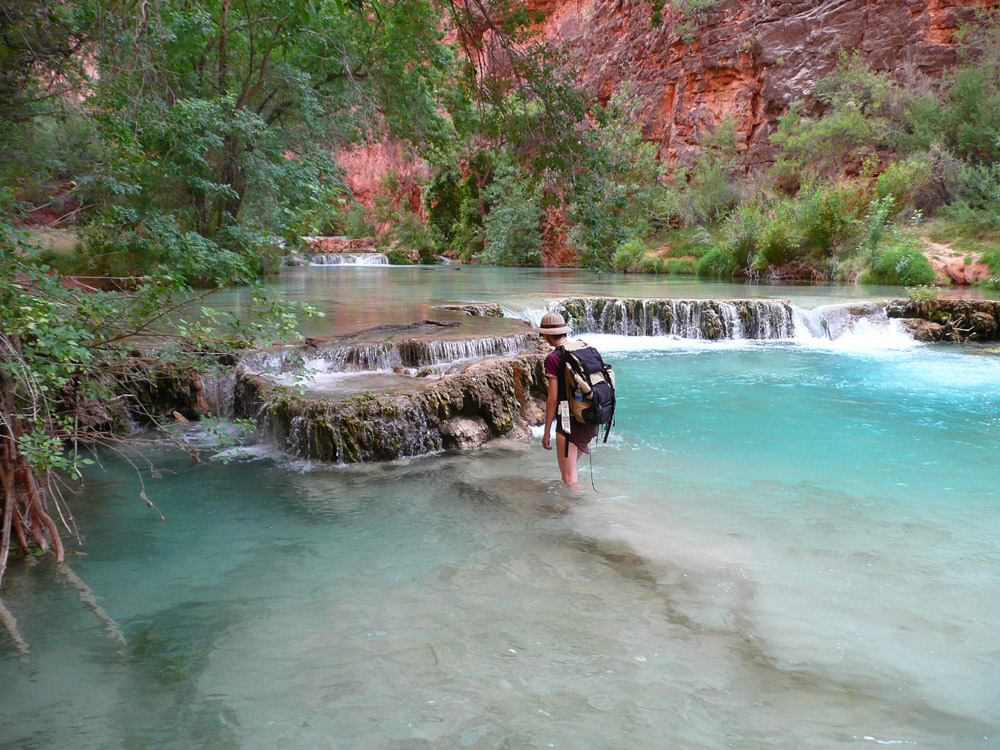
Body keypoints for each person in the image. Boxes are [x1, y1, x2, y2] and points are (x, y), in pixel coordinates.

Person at [534, 312, 598, 488]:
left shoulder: (554, 358)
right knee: (571, 471)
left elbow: (552, 398)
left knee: (569, 478)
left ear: (546, 335)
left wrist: (546, 431)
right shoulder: (580, 349)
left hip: (569, 421)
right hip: (589, 416)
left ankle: (575, 512)